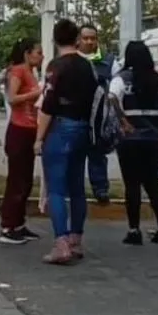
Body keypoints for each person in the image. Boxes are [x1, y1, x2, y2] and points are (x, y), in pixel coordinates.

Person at [35, 18, 99, 264]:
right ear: (76, 39)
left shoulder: (55, 67)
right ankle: (76, 239)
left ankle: (61, 243)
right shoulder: (88, 67)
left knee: (57, 189)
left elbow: (48, 105)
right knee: (76, 187)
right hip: (83, 128)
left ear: (54, 40)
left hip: (60, 128)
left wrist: (39, 138)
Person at [109, 40, 158, 245]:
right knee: (153, 184)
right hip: (152, 139)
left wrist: (123, 121)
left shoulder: (122, 79)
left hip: (129, 139)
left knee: (132, 185)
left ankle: (134, 230)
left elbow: (111, 98)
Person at [0, 38, 44, 245]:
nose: (41, 56)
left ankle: (19, 223)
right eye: (38, 52)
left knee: (25, 181)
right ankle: (8, 226)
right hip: (19, 129)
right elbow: (12, 98)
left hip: (30, 129)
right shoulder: (17, 71)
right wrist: (37, 93)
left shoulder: (31, 73)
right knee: (16, 180)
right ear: (27, 53)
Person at [77, 24, 114, 205]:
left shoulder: (107, 61)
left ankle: (101, 189)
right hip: (76, 116)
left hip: (99, 118)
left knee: (97, 155)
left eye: (93, 38)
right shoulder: (72, 59)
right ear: (78, 39)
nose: (90, 42)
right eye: (86, 38)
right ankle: (74, 189)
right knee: (75, 155)